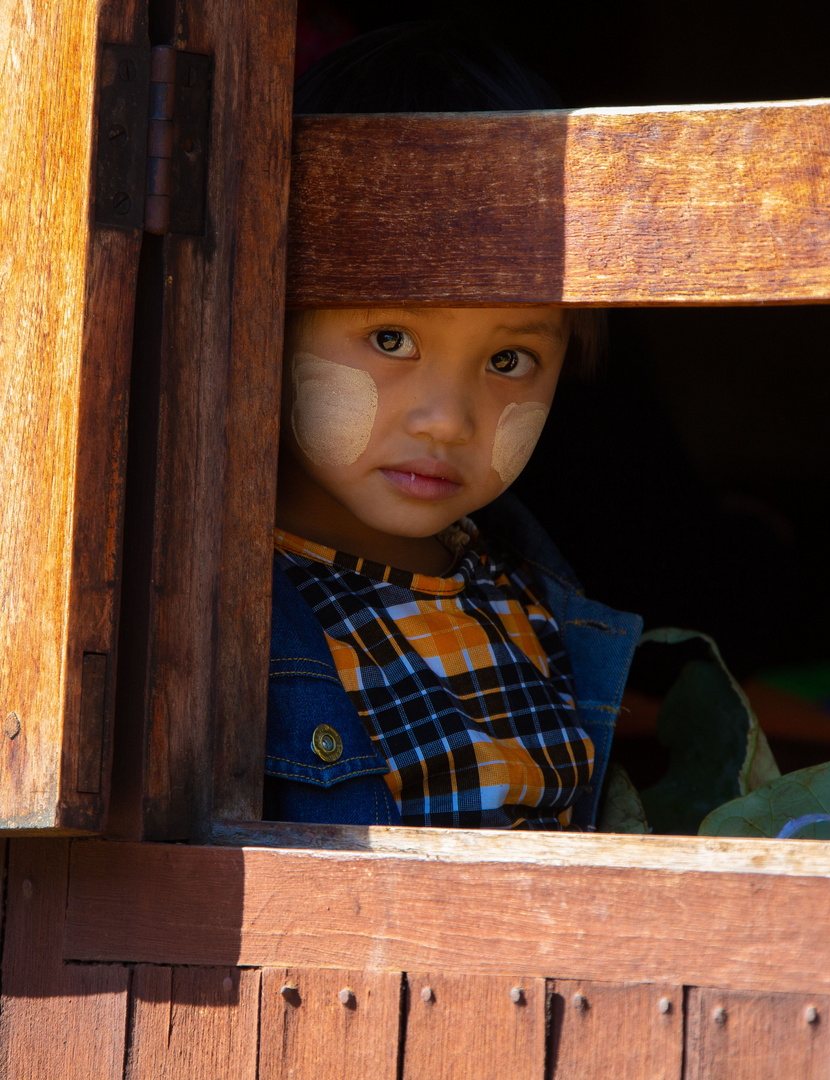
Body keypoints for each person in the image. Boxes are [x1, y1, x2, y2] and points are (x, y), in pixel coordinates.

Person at [263, 21, 642, 829]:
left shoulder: (528, 595)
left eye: (508, 361)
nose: (447, 420)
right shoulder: (232, 609)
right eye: (392, 340)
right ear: (270, 318)